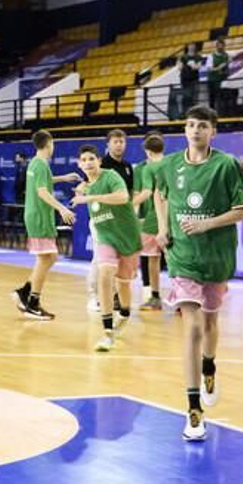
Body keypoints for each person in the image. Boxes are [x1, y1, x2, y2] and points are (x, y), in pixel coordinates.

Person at [153, 105, 243, 441]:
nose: (195, 130)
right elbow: (159, 193)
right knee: (192, 326)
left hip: (216, 256)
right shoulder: (170, 164)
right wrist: (163, 228)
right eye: (190, 125)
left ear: (213, 131)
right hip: (182, 258)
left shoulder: (225, 166)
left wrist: (206, 223)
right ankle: (193, 408)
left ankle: (209, 364)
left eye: (202, 126)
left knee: (210, 324)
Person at [74, 144, 138, 352]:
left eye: (91, 158)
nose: (88, 163)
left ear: (99, 161)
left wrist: (90, 197)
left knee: (124, 284)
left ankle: (125, 314)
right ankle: (108, 333)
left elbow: (122, 197)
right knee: (105, 274)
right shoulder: (84, 187)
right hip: (105, 237)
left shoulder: (110, 177)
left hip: (127, 236)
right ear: (79, 164)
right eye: (83, 160)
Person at [14, 130, 74, 321]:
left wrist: (62, 178)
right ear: (49, 144)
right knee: (45, 258)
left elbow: (42, 182)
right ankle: (32, 302)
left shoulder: (35, 163)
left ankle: (25, 292)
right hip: (39, 216)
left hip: (35, 215)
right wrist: (62, 209)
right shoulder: (40, 165)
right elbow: (42, 191)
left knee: (50, 257)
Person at [131, 132, 168, 311]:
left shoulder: (148, 168)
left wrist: (127, 206)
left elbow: (146, 193)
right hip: (176, 216)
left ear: (147, 151)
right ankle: (183, 299)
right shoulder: (174, 164)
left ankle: (155, 297)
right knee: (175, 259)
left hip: (155, 219)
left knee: (152, 258)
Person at [177, 42, 203, 112]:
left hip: (194, 78)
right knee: (185, 95)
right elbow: (179, 67)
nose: (191, 47)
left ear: (195, 47)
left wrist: (192, 65)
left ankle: (194, 111)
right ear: (188, 47)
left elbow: (197, 67)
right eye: (190, 45)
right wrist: (181, 64)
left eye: (193, 46)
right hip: (184, 78)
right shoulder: (183, 57)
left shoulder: (198, 57)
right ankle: (184, 112)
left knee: (194, 95)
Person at [206, 39, 230, 110]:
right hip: (212, 80)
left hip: (222, 80)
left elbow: (227, 68)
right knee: (212, 98)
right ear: (216, 47)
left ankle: (222, 112)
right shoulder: (211, 56)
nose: (221, 47)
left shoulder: (226, 55)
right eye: (219, 46)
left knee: (222, 98)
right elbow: (210, 69)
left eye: (222, 46)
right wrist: (219, 67)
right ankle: (212, 112)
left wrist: (225, 72)